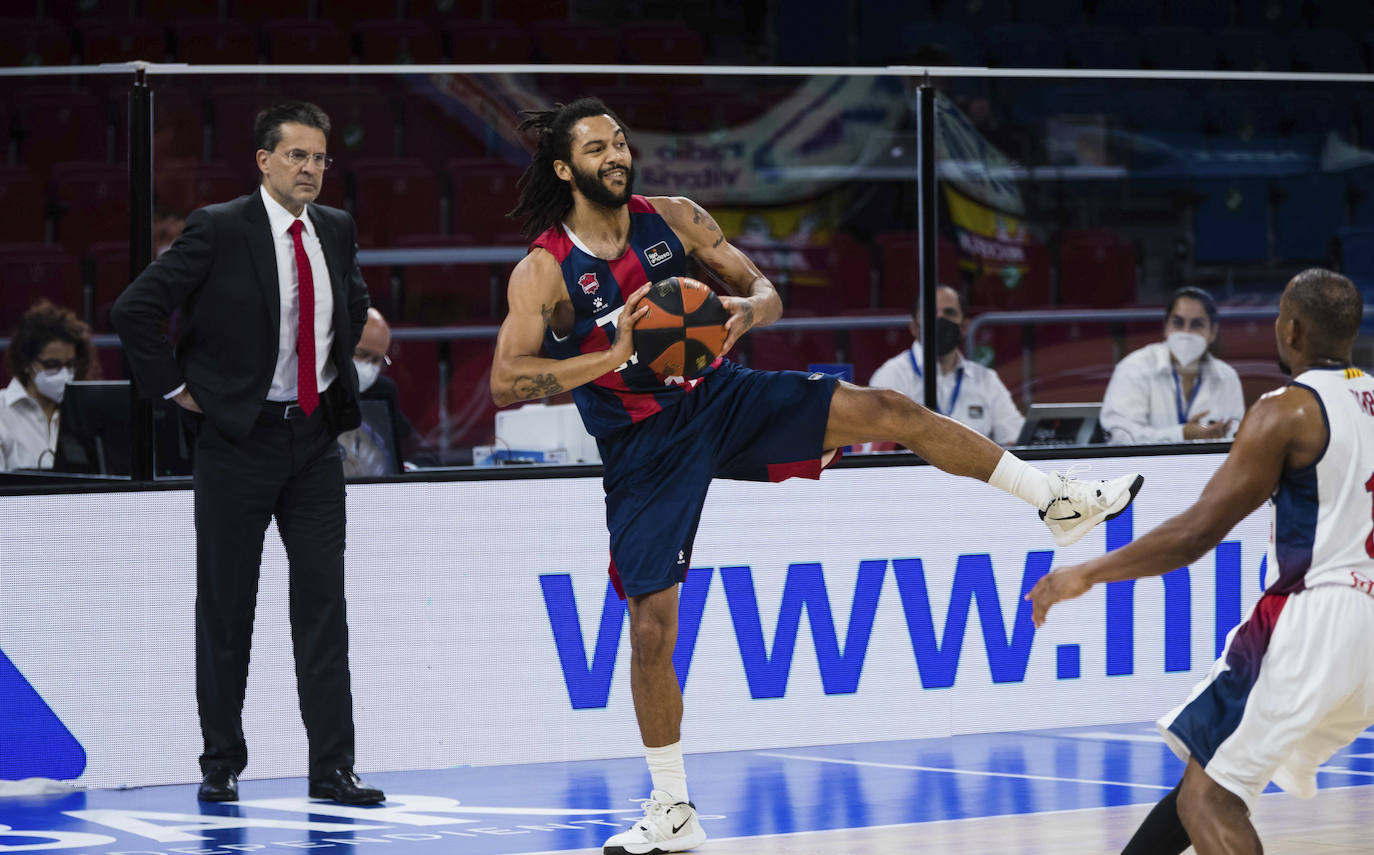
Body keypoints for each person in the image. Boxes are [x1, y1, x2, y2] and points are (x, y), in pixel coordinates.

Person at [491, 97, 1144, 855]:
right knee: (650, 629)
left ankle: (1052, 498)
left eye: (621, 142)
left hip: (721, 398)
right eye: (597, 148)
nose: (616, 155)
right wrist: (609, 356)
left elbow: (766, 291)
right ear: (564, 168)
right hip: (643, 444)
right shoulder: (546, 269)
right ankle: (672, 806)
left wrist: (745, 312)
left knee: (889, 407)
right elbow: (507, 380)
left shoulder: (673, 218)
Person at [1028, 269, 1374, 855]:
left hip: (1315, 613)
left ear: (1290, 330)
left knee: (1208, 800)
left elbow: (1195, 533)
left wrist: (1086, 572)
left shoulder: (1287, 410)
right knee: (1207, 775)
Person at [110, 102, 383, 806]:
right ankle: (221, 761)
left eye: (320, 158)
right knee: (227, 605)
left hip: (314, 439)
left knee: (324, 606)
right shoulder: (219, 226)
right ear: (264, 161)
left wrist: (339, 371)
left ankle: (333, 768)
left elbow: (352, 306)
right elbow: (134, 309)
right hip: (238, 440)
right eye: (297, 155)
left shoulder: (336, 228)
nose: (311, 169)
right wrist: (178, 388)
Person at [869, 284, 1024, 445]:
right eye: (931, 313)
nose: (940, 319)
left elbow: (1015, 439)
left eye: (949, 313)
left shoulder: (986, 379)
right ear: (914, 327)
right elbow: (877, 444)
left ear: (964, 326)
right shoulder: (891, 376)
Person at [1100, 286, 1245, 445]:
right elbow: (1120, 437)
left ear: (1213, 332)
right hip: (1147, 462)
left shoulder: (1227, 377)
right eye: (1178, 323)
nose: (1186, 332)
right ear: (1166, 327)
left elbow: (1235, 438)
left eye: (1197, 324)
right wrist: (1182, 434)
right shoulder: (1133, 368)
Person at [1, 300, 98, 471]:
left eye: (70, 365)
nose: (64, 374)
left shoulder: (84, 413)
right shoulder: (2, 412)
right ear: (26, 363)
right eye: (52, 364)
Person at [339, 308, 416, 475]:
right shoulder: (312, 391)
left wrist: (411, 467)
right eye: (361, 354)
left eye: (376, 360)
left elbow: (414, 448)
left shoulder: (382, 391)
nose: (368, 366)